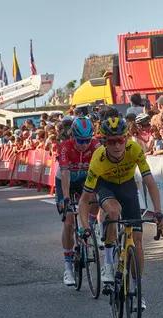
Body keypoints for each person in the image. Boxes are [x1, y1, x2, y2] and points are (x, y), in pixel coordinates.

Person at [78, 117, 163, 310]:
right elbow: (84, 200)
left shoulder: (134, 149)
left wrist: (159, 212)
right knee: (114, 211)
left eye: (121, 140)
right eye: (111, 142)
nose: (117, 145)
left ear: (126, 139)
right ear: (104, 143)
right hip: (106, 187)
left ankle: (137, 290)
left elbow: (150, 182)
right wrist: (86, 228)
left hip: (127, 187)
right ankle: (109, 264)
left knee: (137, 241)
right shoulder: (98, 159)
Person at [55, 117, 101, 286]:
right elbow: (65, 175)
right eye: (80, 140)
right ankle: (67, 268)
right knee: (68, 222)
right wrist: (66, 199)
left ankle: (88, 226)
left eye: (87, 140)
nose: (84, 144)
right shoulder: (65, 147)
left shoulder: (96, 146)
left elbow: (99, 173)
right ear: (73, 136)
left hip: (85, 181)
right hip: (66, 182)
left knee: (95, 199)